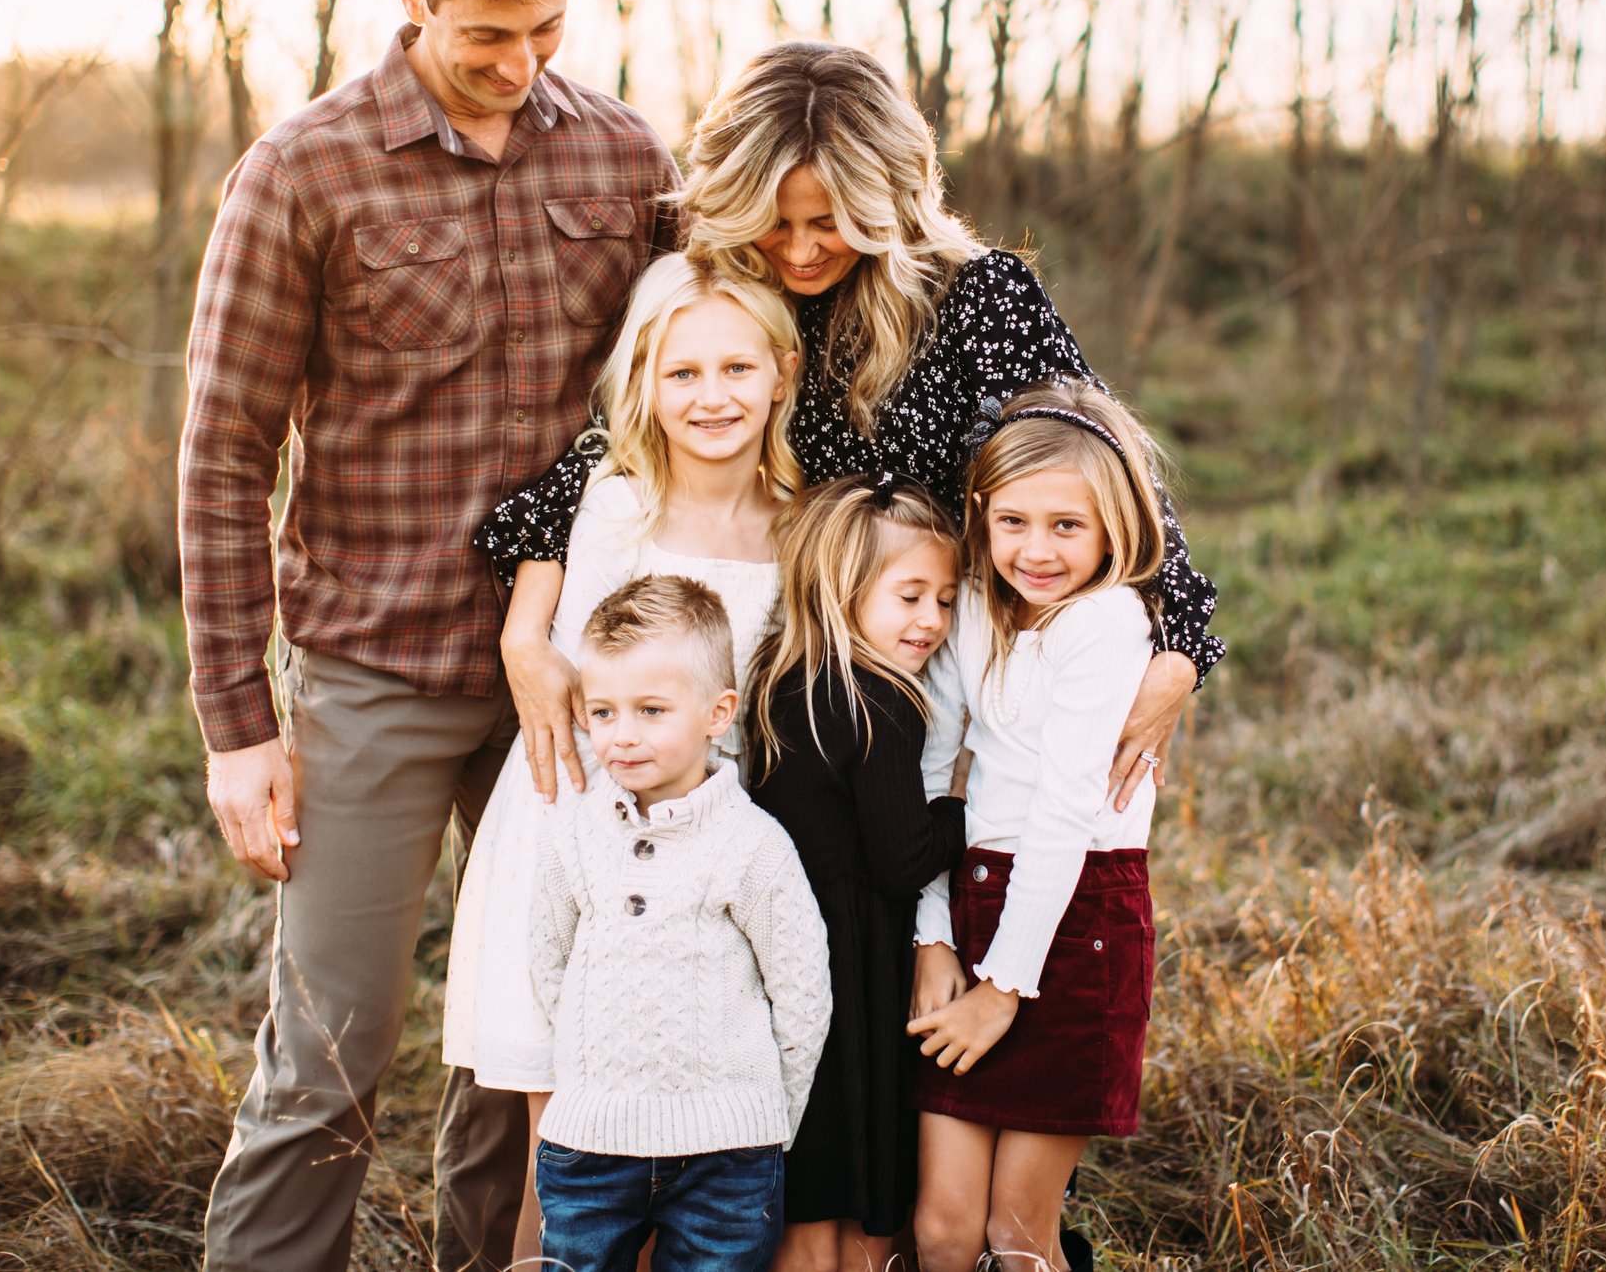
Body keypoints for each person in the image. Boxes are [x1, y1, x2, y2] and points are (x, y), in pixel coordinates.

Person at [177, 0, 677, 1272]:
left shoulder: (627, 156)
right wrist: (237, 726)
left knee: (536, 1041)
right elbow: (223, 456)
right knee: (333, 1044)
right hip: (373, 670)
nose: (521, 64)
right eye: (485, 35)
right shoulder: (302, 171)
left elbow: (732, 348)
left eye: (548, 31)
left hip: (571, 687)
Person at [478, 42, 1218, 828]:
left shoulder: (979, 300)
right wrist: (525, 636)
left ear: (887, 202)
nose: (799, 251)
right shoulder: (727, 303)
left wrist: (1177, 654)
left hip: (947, 686)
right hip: (779, 706)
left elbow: (1100, 472)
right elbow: (602, 460)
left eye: (829, 222)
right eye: (775, 223)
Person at [443, 251, 799, 1263]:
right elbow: (570, 674)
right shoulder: (615, 506)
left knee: (686, 1148)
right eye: (680, 372)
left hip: (712, 852)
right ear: (642, 383)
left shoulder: (800, 523)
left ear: (779, 371)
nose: (710, 395)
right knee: (574, 1146)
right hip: (584, 828)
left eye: (735, 368)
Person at [905, 381, 1169, 1272]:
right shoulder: (973, 604)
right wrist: (933, 938)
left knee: (1017, 1239)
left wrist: (1004, 988)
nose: (1037, 549)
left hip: (1079, 917)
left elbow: (1066, 810)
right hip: (977, 900)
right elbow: (936, 773)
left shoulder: (1107, 621)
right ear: (980, 516)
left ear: (1113, 527)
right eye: (1013, 521)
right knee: (942, 1230)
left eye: (1067, 525)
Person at [526, 574, 833, 1272]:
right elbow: (548, 960)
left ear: (717, 712)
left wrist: (763, 1113)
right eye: (602, 712)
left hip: (729, 1156)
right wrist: (586, 1076)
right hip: (589, 1145)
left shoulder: (753, 844)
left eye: (651, 709)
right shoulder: (574, 835)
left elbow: (802, 987)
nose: (621, 735)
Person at [740, 474, 974, 1272]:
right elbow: (902, 855)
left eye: (944, 600)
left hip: (781, 950)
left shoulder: (780, 679)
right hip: (853, 956)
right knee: (855, 1159)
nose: (931, 621)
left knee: (809, 1172)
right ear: (843, 587)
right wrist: (963, 808)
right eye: (910, 595)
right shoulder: (880, 702)